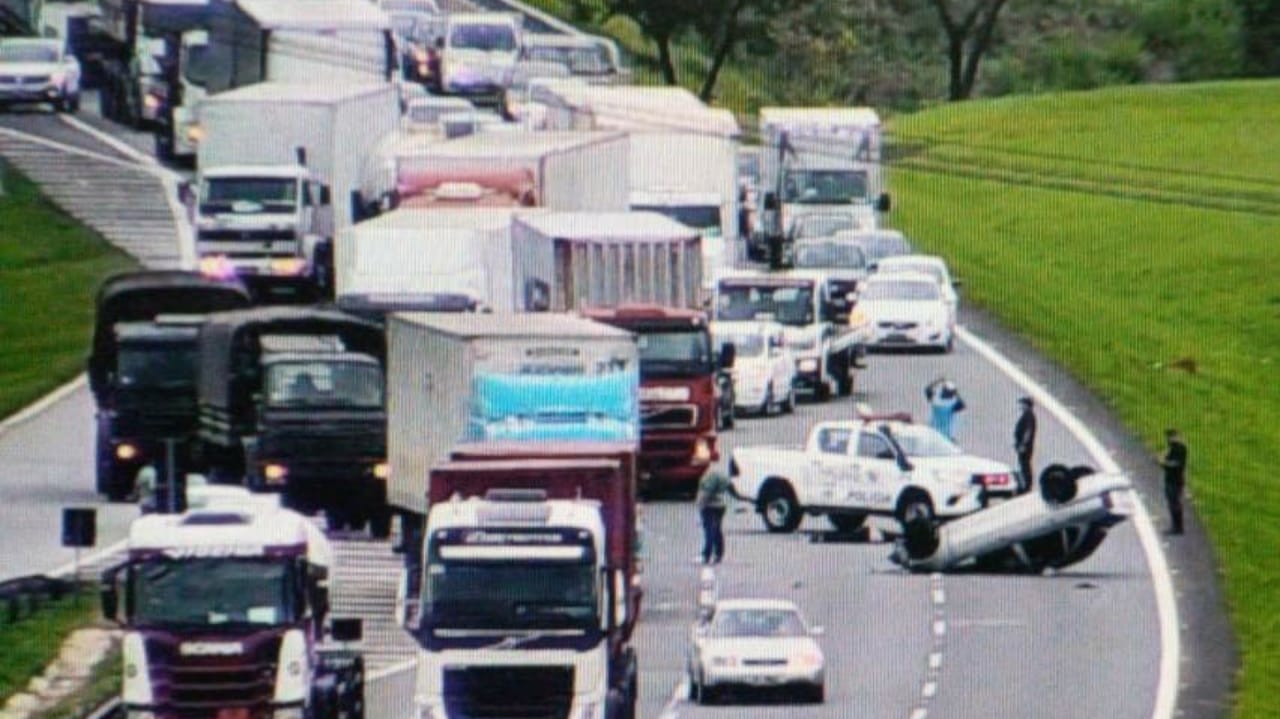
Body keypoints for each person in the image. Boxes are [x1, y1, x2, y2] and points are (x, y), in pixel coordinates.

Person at [695, 469, 733, 565]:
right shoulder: (723, 478)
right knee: (717, 530)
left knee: (709, 531)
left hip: (709, 506)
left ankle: (706, 555)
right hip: (721, 505)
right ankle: (719, 554)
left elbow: (706, 493)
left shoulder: (708, 478)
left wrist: (700, 504)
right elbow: (734, 492)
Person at [1159, 428, 1188, 535]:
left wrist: (1164, 463)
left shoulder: (1180, 448)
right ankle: (1176, 526)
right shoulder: (1171, 448)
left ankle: (1178, 527)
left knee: (1175, 503)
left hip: (1175, 480)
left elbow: (1177, 464)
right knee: (1172, 503)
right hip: (1170, 479)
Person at [924, 378, 965, 442]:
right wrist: (956, 393)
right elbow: (962, 405)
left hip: (932, 431)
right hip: (946, 435)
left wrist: (938, 381)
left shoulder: (935, 400)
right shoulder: (953, 404)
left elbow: (927, 389)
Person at [1013, 396, 1038, 494]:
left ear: (1027, 405)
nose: (1020, 406)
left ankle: (1027, 486)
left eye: (1022, 404)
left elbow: (1028, 432)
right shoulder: (1027, 415)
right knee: (1023, 464)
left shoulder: (1029, 416)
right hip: (1023, 445)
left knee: (1025, 465)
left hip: (1025, 446)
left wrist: (1023, 444)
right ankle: (1025, 484)